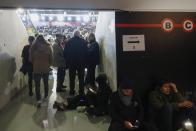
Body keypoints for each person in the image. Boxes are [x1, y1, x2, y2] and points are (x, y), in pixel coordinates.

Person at [29, 35, 53, 107]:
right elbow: (51, 59)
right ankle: (46, 96)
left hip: (37, 67)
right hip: (46, 67)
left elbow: (30, 59)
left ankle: (38, 100)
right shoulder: (49, 47)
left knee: (37, 85)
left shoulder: (33, 47)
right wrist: (48, 64)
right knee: (46, 83)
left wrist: (36, 62)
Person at [64, 30, 87, 96]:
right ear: (79, 34)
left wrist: (68, 61)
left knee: (72, 78)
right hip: (81, 63)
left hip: (71, 63)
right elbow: (86, 53)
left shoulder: (69, 42)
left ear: (73, 35)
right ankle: (81, 92)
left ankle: (71, 91)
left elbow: (65, 53)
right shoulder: (83, 42)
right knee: (81, 78)